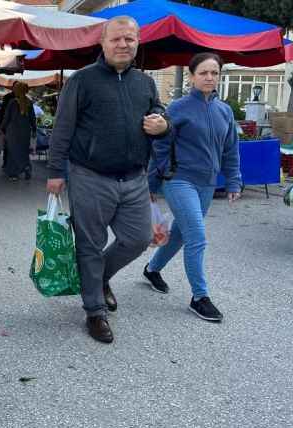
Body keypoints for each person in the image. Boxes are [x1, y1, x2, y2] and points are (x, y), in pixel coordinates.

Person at [47, 16, 170, 343]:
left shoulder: (145, 82)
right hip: (90, 176)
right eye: (116, 39)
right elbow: (62, 128)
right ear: (102, 43)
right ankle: (95, 311)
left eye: (129, 39)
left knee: (139, 238)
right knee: (90, 244)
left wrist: (163, 123)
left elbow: (158, 112)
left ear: (137, 42)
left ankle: (98, 278)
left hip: (134, 178)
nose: (123, 45)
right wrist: (56, 172)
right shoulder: (82, 80)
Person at [144, 53, 241, 322]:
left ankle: (152, 269)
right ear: (191, 76)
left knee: (180, 234)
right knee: (196, 235)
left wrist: (233, 180)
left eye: (215, 73)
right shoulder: (177, 108)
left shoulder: (225, 110)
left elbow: (231, 148)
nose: (209, 77)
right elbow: (160, 147)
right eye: (203, 73)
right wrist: (152, 183)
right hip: (178, 179)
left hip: (207, 183)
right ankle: (200, 297)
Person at [1, 83, 36, 181]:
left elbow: (7, 117)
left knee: (12, 152)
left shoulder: (12, 102)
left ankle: (13, 174)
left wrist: (1, 128)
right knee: (23, 151)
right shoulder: (29, 102)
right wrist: (34, 129)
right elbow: (33, 118)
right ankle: (26, 166)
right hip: (25, 131)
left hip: (13, 131)